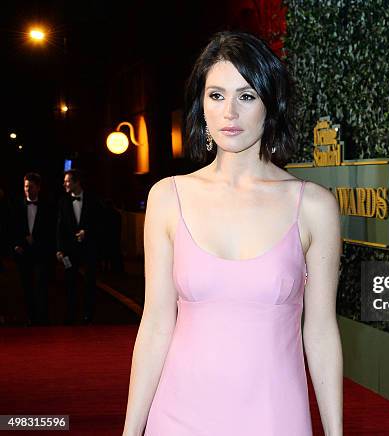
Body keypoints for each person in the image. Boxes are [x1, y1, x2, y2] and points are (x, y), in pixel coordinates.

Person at [123, 31, 343, 436]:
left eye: (246, 96)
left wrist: (335, 431)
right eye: (216, 95)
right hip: (178, 416)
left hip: (274, 417)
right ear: (201, 106)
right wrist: (130, 430)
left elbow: (321, 330)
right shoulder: (168, 198)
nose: (229, 113)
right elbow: (155, 324)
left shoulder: (313, 207)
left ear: (269, 105)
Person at [56, 169, 104, 325]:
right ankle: (71, 314)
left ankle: (88, 315)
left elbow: (100, 223)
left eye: (68, 181)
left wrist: (87, 232)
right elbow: (60, 227)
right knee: (70, 283)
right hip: (70, 250)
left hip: (89, 249)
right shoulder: (63, 202)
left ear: (77, 182)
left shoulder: (92, 200)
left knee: (90, 283)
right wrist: (59, 249)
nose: (65, 184)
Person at [9, 172, 55, 326]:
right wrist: (17, 244)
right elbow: (11, 228)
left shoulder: (47, 207)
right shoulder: (17, 206)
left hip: (41, 253)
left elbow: (51, 230)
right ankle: (31, 317)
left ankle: (42, 317)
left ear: (38, 188)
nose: (28, 189)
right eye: (26, 186)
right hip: (24, 253)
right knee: (26, 286)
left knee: (42, 285)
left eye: (31, 186)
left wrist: (38, 242)